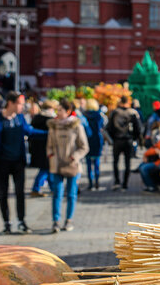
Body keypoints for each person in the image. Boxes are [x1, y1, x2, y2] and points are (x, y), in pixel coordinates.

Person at [0, 92, 47, 234]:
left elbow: (29, 131)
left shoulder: (20, 118)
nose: (23, 107)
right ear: (10, 103)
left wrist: (50, 133)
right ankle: (7, 223)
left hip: (18, 162)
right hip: (1, 163)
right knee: (2, 194)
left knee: (20, 193)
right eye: (20, 104)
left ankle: (21, 221)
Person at [47, 98, 89, 232]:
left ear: (68, 111)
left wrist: (75, 156)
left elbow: (84, 147)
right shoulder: (53, 126)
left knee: (71, 194)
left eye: (60, 110)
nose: (58, 113)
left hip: (72, 164)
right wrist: (51, 155)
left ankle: (69, 220)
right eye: (57, 110)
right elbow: (49, 145)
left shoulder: (76, 126)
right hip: (57, 164)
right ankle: (56, 221)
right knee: (57, 194)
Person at [106, 96, 143, 190]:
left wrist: (112, 138)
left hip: (117, 140)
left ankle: (117, 181)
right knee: (128, 162)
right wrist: (136, 139)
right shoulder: (132, 112)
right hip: (128, 140)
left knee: (115, 162)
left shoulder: (115, 112)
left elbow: (109, 127)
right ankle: (125, 183)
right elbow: (138, 128)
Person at [28, 100, 55, 197]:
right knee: (45, 169)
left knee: (48, 169)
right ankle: (35, 188)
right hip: (47, 148)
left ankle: (53, 188)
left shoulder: (36, 118)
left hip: (37, 148)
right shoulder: (51, 119)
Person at [82, 98, 106, 190]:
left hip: (87, 140)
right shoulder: (99, 115)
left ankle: (90, 183)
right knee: (96, 163)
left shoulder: (84, 115)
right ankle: (97, 182)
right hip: (97, 140)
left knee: (88, 164)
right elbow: (102, 127)